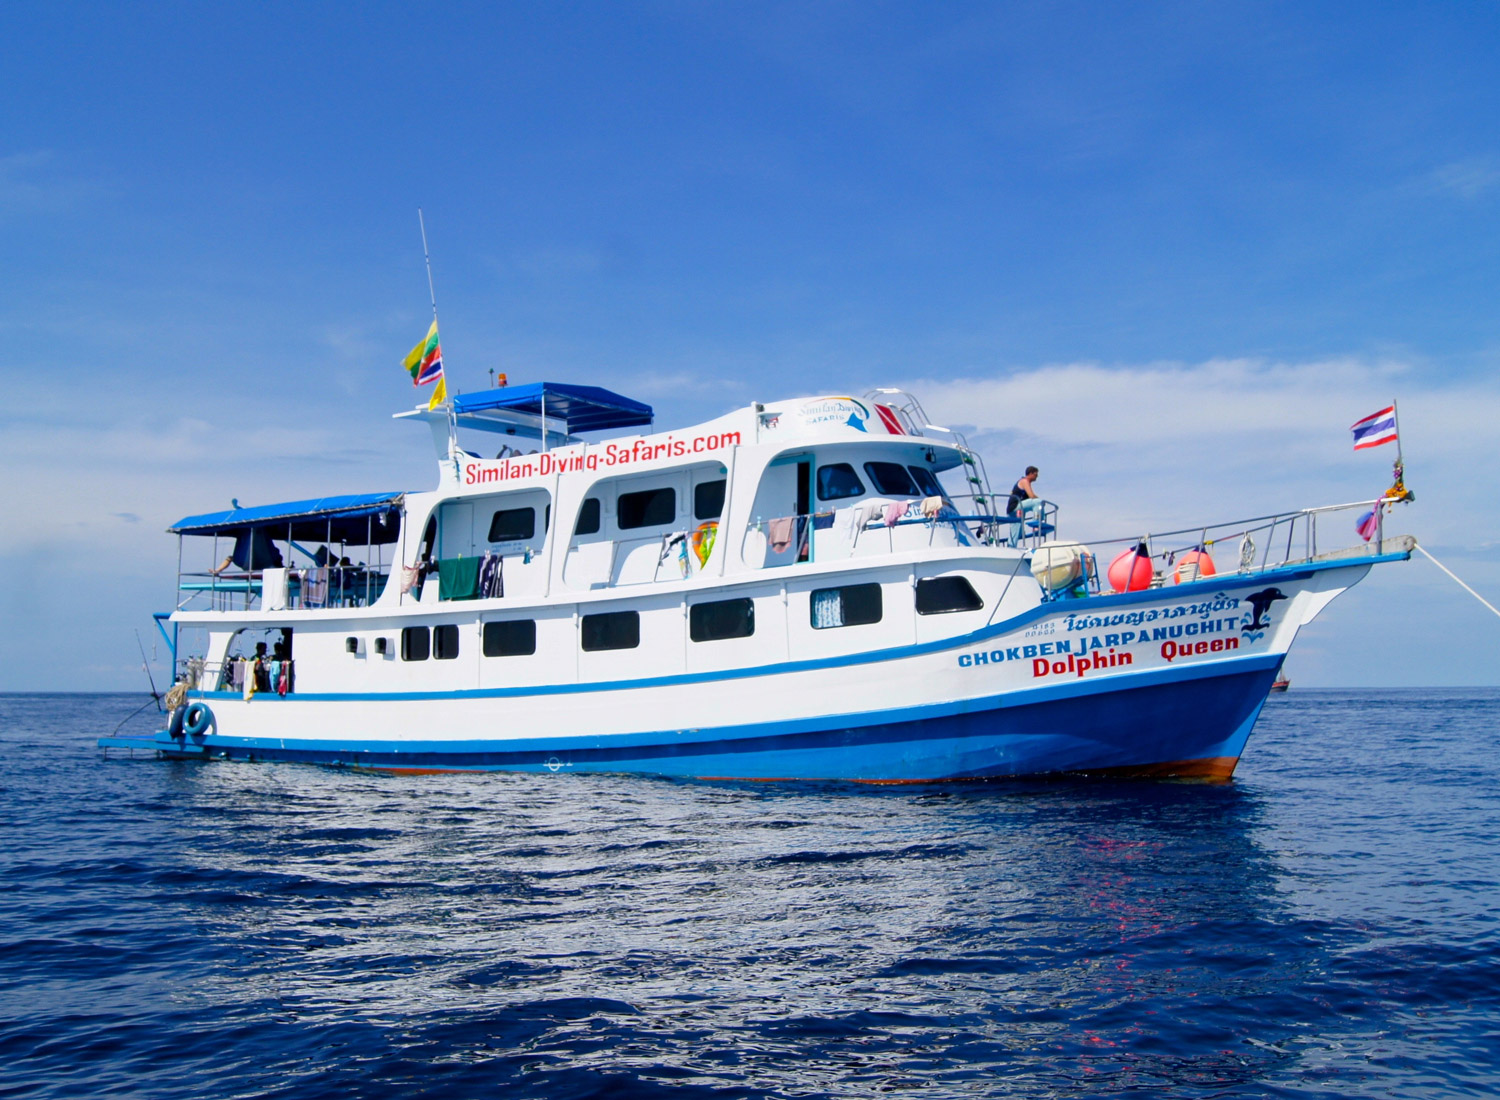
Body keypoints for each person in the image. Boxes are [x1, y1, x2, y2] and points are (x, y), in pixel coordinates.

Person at [1006, 466, 1042, 546]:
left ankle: (1010, 547)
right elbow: (1031, 495)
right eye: (1036, 474)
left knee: (1017, 530)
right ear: (1030, 473)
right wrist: (1040, 500)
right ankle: (1036, 524)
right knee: (1038, 502)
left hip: (1014, 509)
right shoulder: (1024, 481)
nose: (1037, 476)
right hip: (1015, 506)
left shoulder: (1025, 482)